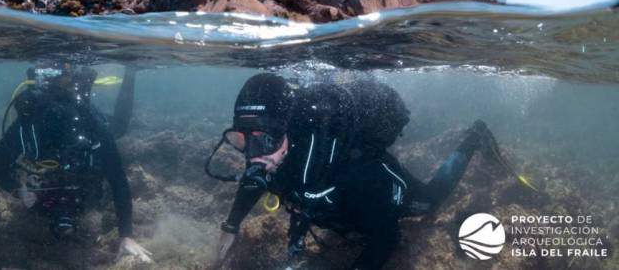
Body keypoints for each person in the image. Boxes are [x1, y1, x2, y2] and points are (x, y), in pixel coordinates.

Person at [208, 73, 501, 269]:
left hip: (369, 188)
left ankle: (474, 138)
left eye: (264, 141)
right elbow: (255, 178)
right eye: (242, 141)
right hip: (334, 208)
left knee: (430, 201)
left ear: (288, 129)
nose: (253, 157)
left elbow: (387, 236)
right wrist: (230, 227)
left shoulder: (350, 169)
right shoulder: (273, 155)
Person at [0, 63, 152, 263]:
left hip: (84, 192)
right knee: (118, 127)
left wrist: (126, 235)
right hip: (45, 201)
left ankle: (130, 71)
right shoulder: (29, 126)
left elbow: (117, 178)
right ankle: (130, 71)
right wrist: (19, 190)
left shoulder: (90, 124)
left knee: (118, 127)